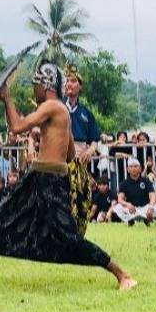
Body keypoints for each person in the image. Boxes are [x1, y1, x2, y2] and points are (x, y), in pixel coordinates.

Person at [0, 62, 136, 290]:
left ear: (46, 85)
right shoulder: (59, 111)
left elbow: (16, 126)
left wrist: (7, 98)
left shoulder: (52, 106)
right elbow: (70, 153)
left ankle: (122, 274)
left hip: (51, 181)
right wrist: (48, 137)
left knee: (67, 237)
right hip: (38, 176)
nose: (33, 90)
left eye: (35, 85)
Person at [63, 64, 99, 235]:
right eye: (67, 81)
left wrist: (91, 150)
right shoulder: (57, 108)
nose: (69, 84)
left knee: (82, 200)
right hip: (61, 161)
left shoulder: (86, 113)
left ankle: (77, 237)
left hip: (80, 162)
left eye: (73, 81)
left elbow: (94, 140)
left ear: (80, 86)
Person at [113, 159, 156, 226]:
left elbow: (153, 196)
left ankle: (146, 219)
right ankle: (130, 220)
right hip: (132, 209)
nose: (133, 169)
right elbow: (120, 199)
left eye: (136, 166)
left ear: (140, 169)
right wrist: (127, 204)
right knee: (117, 208)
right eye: (131, 166)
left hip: (145, 208)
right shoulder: (124, 183)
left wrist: (150, 207)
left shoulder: (146, 181)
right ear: (128, 169)